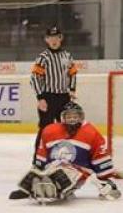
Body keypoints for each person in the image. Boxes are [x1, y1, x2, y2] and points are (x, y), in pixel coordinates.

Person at [11, 25, 78, 198]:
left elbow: (73, 74)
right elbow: (34, 78)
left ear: (61, 38)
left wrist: (72, 90)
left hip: (64, 98)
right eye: (50, 37)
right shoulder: (43, 57)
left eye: (56, 37)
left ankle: (67, 167)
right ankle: (37, 166)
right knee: (45, 132)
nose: (54, 40)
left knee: (67, 131)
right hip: (48, 98)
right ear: (46, 40)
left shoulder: (67, 56)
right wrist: (40, 98)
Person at [14, 102, 120, 202]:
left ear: (81, 118)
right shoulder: (50, 130)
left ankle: (52, 188)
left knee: (62, 177)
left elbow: (100, 156)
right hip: (54, 166)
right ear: (63, 118)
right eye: (69, 117)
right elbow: (43, 153)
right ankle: (36, 186)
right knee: (39, 174)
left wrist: (104, 179)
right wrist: (39, 169)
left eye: (75, 117)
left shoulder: (91, 132)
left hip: (78, 171)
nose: (72, 120)